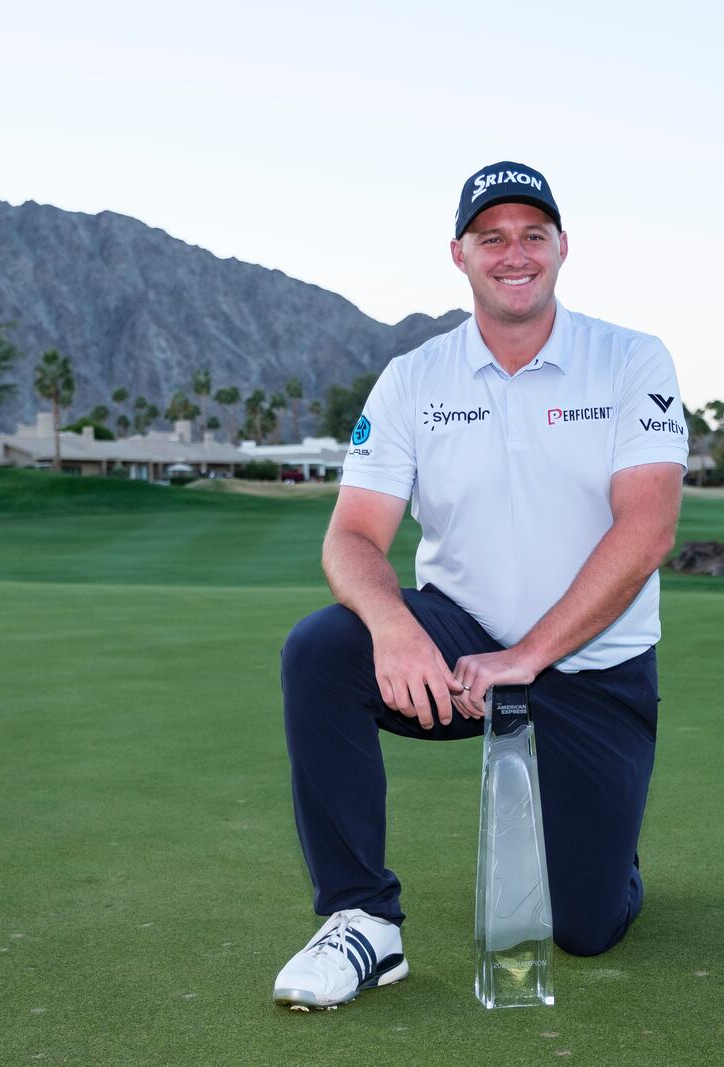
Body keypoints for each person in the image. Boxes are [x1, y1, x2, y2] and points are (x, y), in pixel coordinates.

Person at [272, 161, 688, 1009]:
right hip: (459, 639)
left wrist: (528, 657)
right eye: (491, 237)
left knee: (585, 926)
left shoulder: (631, 359)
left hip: (594, 662)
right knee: (321, 651)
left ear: (562, 247)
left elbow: (647, 530)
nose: (514, 253)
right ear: (458, 254)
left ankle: (609, 855)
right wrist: (392, 624)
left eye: (533, 235)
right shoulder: (412, 380)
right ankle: (363, 922)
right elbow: (352, 535)